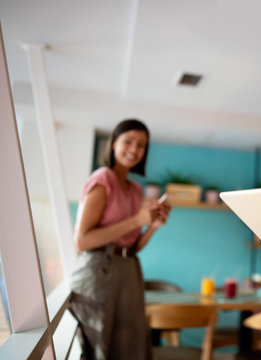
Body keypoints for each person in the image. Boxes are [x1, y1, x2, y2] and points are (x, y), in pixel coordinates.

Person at [69, 119, 170, 360]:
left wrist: (153, 226)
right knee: (99, 347)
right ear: (113, 143)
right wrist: (137, 220)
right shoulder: (102, 179)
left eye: (142, 145)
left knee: (129, 348)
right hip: (98, 273)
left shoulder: (135, 189)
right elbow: (82, 241)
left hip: (128, 271)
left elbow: (132, 247)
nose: (134, 150)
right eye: (128, 141)